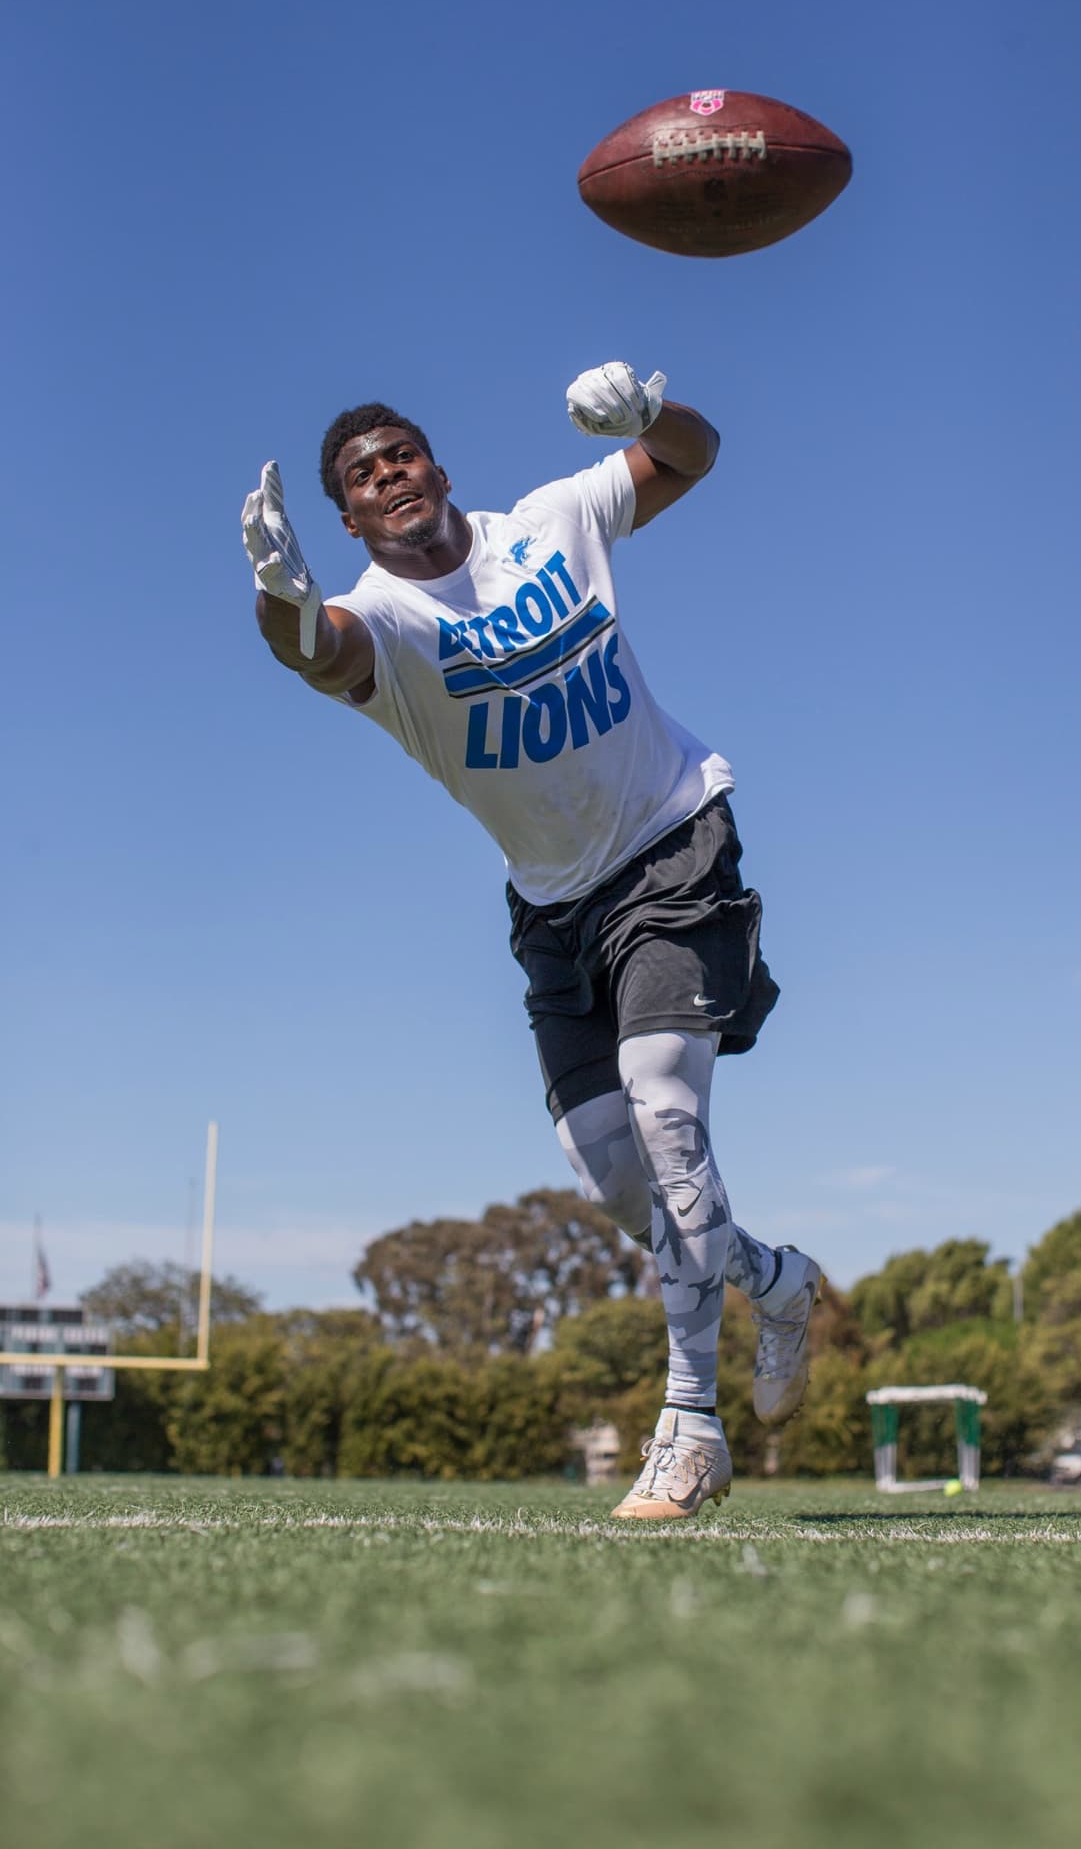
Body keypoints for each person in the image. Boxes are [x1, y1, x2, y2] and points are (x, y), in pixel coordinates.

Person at [242, 361, 823, 1520]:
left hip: (669, 845)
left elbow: (693, 458)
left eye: (398, 453)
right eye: (359, 476)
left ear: (439, 470)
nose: (385, 474)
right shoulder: (387, 619)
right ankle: (774, 1279)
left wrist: (651, 415)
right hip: (553, 908)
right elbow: (315, 651)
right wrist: (277, 594)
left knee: (667, 1116)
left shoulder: (549, 522)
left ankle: (689, 1425)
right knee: (619, 1182)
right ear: (349, 517)